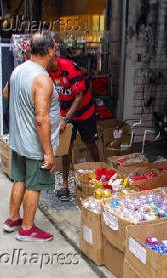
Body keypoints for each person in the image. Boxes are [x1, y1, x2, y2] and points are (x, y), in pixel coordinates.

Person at [2, 32, 60, 242]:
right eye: (55, 49)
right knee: (34, 186)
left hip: (18, 140)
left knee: (20, 179)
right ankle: (27, 229)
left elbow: (6, 94)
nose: (56, 53)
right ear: (49, 50)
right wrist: (49, 153)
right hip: (35, 145)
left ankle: (13, 219)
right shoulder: (42, 79)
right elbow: (41, 119)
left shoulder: (19, 70)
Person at [49, 54, 100, 201]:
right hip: (65, 113)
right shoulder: (48, 72)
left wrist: (66, 118)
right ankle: (65, 184)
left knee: (91, 144)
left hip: (84, 113)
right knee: (66, 149)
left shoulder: (70, 68)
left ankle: (99, 174)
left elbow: (79, 97)